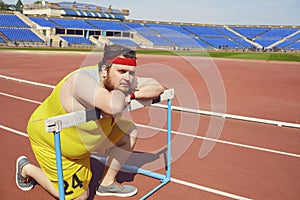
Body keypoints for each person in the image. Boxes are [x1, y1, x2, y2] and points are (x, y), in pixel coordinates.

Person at [16, 44, 164, 199]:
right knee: (80, 197)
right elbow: (112, 106)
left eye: (130, 73)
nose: (126, 78)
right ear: (105, 70)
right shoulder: (80, 80)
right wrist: (126, 92)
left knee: (129, 132)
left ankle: (107, 184)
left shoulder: (120, 78)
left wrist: (131, 96)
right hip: (53, 141)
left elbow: (156, 87)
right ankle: (26, 168)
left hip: (85, 138)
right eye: (121, 71)